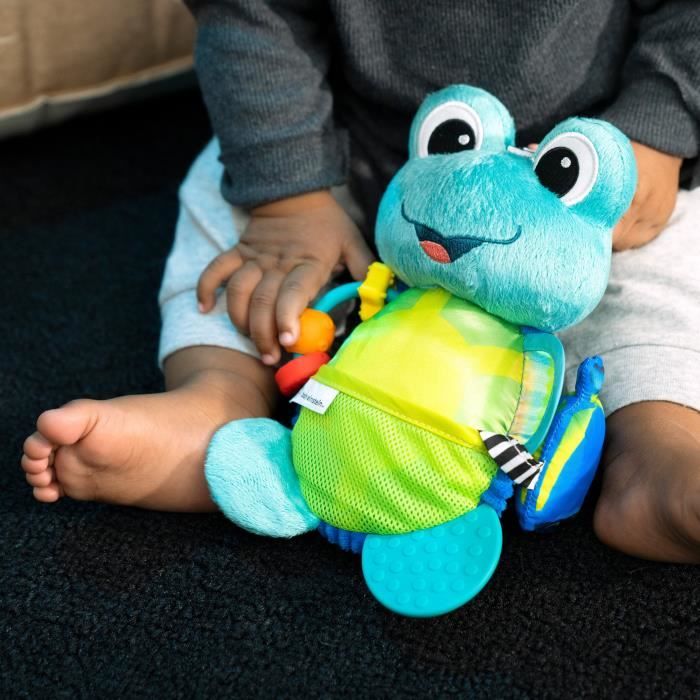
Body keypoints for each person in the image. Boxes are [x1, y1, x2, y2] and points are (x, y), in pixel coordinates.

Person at [21, 1, 700, 562]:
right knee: (229, 207)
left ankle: (658, 446)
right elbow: (253, 16)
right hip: (355, 164)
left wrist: (661, 120)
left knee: (663, 259)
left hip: (597, 182)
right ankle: (218, 401)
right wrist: (288, 200)